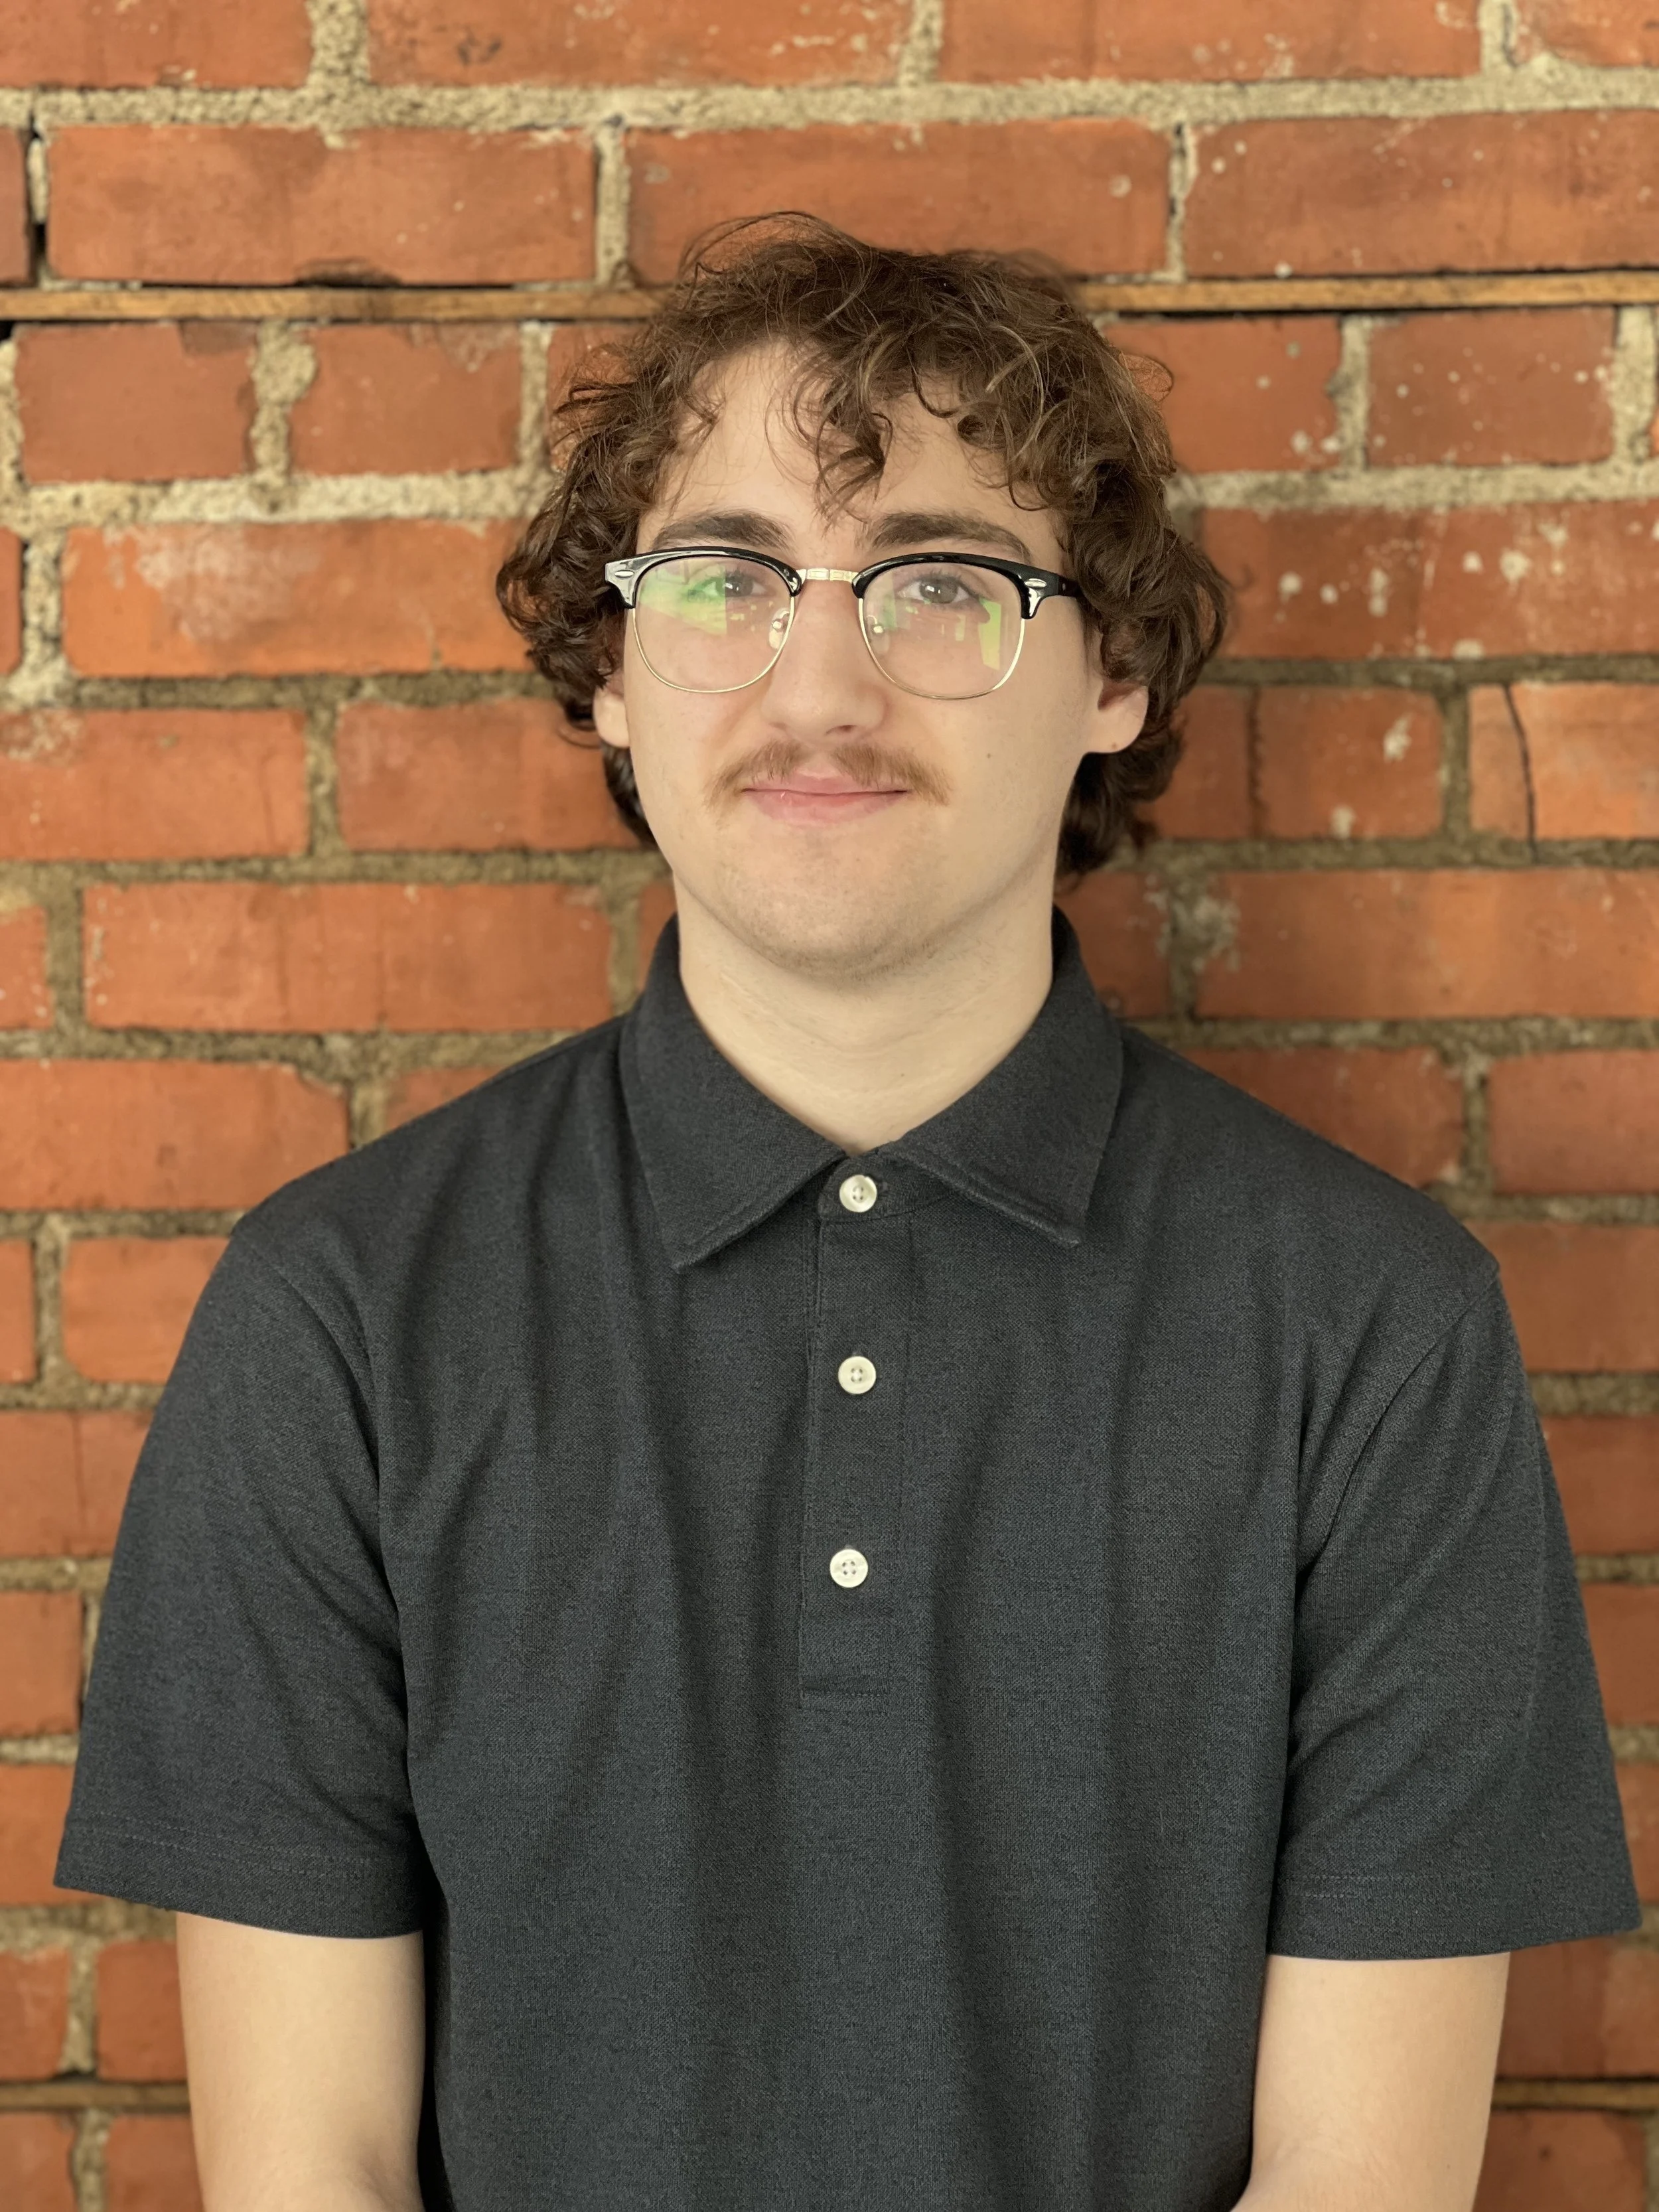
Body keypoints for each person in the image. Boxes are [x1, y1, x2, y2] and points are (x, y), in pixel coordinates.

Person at [56, 216, 1636, 2212]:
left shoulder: (1371, 1331)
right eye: (722, 582)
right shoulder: (341, 1316)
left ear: (1112, 675)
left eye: (936, 585)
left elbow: (1362, 2187)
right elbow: (314, 2176)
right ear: (611, 678)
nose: (819, 682)